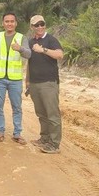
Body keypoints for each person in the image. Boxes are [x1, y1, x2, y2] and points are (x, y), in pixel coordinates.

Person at [0, 12, 31, 145]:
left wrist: (20, 49)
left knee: (16, 107)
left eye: (12, 21)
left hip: (15, 79)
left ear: (16, 23)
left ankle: (17, 133)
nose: (9, 24)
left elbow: (29, 54)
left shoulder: (21, 38)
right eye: (7, 21)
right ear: (3, 23)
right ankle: (0, 130)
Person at [26, 15, 64, 154]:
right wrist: (28, 81)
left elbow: (60, 55)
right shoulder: (30, 42)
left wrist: (44, 50)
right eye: (37, 25)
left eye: (42, 24)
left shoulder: (51, 39)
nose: (40, 27)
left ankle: (54, 144)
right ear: (32, 27)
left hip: (49, 83)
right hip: (35, 83)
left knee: (52, 114)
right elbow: (30, 63)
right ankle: (44, 138)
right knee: (41, 113)